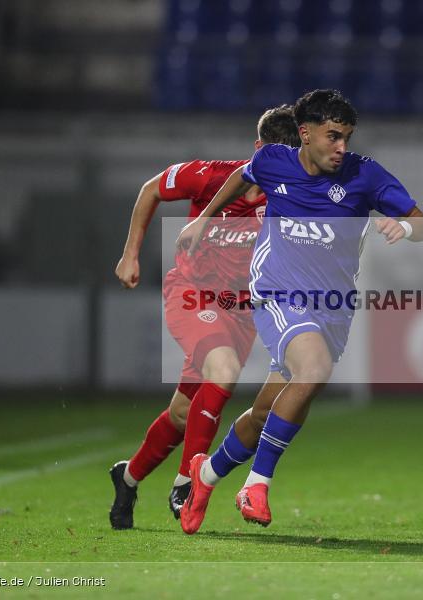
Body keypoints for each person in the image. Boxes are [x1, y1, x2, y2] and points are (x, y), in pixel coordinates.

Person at [177, 89, 423, 534]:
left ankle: (206, 475)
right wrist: (206, 219)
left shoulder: (365, 175)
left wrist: (404, 225)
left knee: (265, 412)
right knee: (312, 368)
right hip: (277, 293)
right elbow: (241, 175)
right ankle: (256, 485)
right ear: (305, 133)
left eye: (347, 138)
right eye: (333, 137)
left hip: (331, 309)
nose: (342, 148)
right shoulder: (275, 161)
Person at [108, 105, 300, 529]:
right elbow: (151, 190)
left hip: (239, 312)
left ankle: (128, 477)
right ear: (258, 150)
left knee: (183, 412)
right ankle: (185, 482)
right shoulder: (211, 176)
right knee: (225, 368)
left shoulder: (288, 197)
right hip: (191, 294)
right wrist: (130, 254)